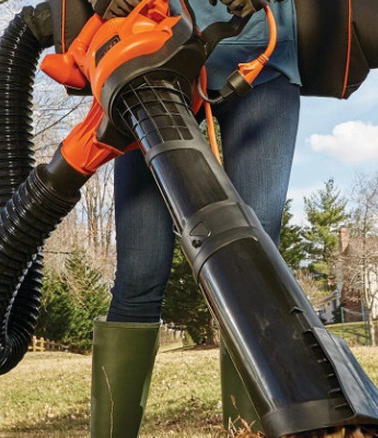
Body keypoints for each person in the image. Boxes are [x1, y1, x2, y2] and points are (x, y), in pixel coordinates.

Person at [88, 0, 301, 435]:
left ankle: (248, 430)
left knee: (255, 267)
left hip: (263, 56)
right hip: (152, 53)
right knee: (139, 270)